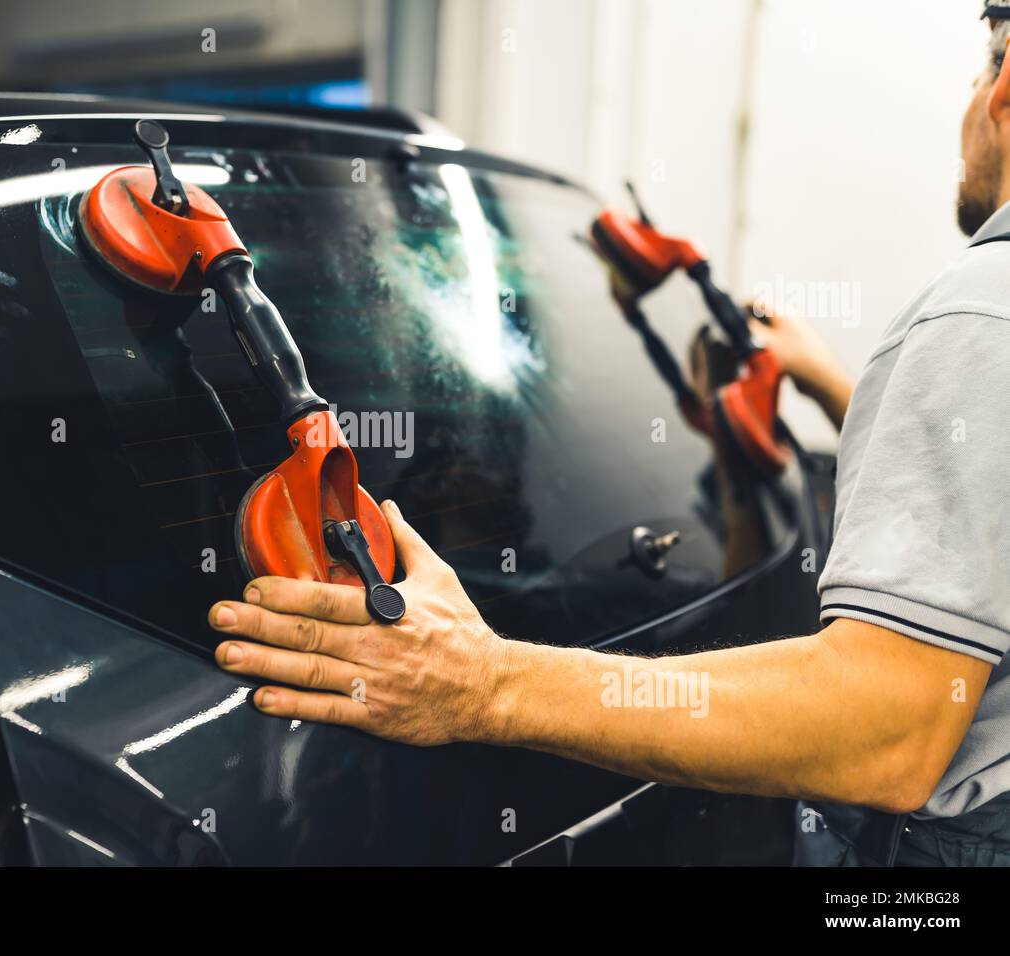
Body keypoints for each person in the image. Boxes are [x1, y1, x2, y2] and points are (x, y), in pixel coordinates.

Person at [208, 2, 1010, 865]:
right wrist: (832, 385)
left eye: (976, 73)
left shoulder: (977, 313)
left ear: (1005, 87)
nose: (965, 103)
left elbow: (883, 733)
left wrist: (487, 682)